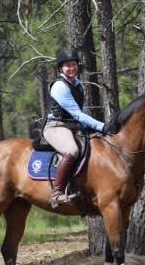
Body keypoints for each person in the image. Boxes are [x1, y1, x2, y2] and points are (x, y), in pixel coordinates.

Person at [43, 49, 110, 208]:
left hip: (74, 126)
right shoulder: (59, 86)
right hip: (56, 126)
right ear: (60, 68)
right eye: (67, 65)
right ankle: (57, 194)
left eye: (73, 64)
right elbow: (77, 114)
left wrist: (94, 129)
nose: (71, 68)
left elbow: (81, 112)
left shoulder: (78, 84)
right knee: (72, 150)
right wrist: (102, 126)